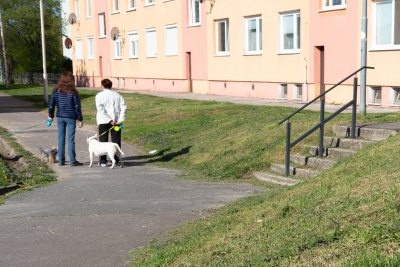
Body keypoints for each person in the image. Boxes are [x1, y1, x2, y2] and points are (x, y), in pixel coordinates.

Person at [48, 72, 84, 167]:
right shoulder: (73, 92)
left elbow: (51, 104)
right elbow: (77, 107)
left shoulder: (56, 90)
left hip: (60, 117)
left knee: (61, 139)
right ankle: (72, 161)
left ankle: (61, 160)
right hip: (71, 117)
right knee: (71, 139)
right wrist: (80, 119)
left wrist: (50, 116)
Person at [96, 78, 127, 167]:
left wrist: (109, 120)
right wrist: (120, 120)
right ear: (111, 86)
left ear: (102, 86)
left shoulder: (99, 95)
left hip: (103, 121)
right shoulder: (118, 95)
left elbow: (100, 109)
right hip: (116, 121)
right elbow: (124, 108)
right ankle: (117, 160)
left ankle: (103, 161)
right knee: (116, 141)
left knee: (103, 141)